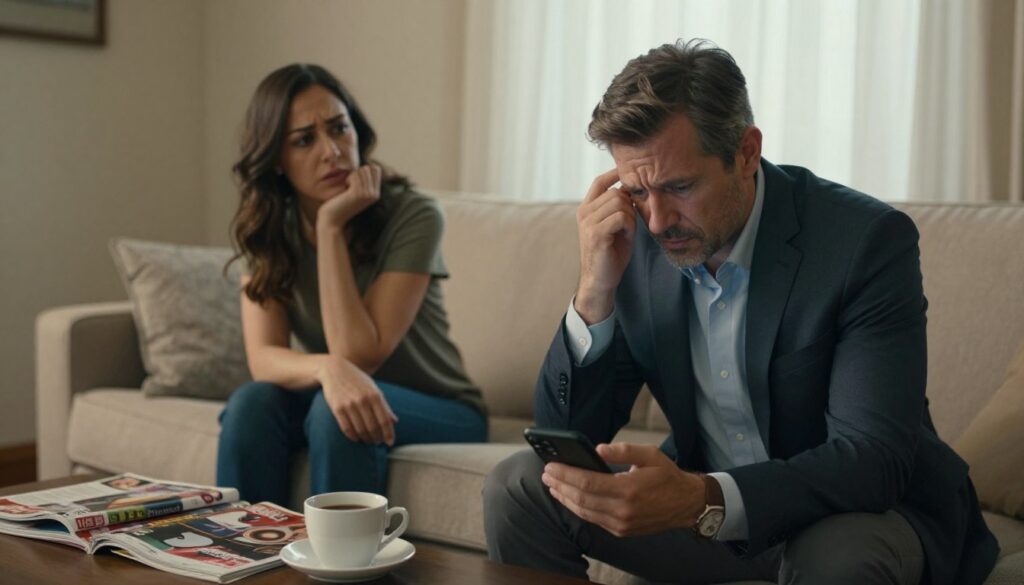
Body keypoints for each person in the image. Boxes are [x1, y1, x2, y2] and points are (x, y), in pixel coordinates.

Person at [483, 40, 997, 585]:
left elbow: (872, 460)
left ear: (746, 152)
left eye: (680, 187)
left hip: (854, 513)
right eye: (637, 191)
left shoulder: (863, 243)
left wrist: (702, 497)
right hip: (704, 516)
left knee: (835, 558)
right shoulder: (632, 242)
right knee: (519, 485)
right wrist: (594, 289)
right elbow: (565, 440)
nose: (657, 221)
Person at [217, 64, 487, 507]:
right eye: (305, 140)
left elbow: (359, 354)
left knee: (337, 410)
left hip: (442, 407)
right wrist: (327, 370)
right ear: (277, 162)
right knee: (252, 404)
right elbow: (263, 357)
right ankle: (247, 560)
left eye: (339, 129)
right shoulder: (270, 229)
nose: (332, 151)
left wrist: (329, 227)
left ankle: (341, 570)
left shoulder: (413, 214)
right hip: (340, 387)